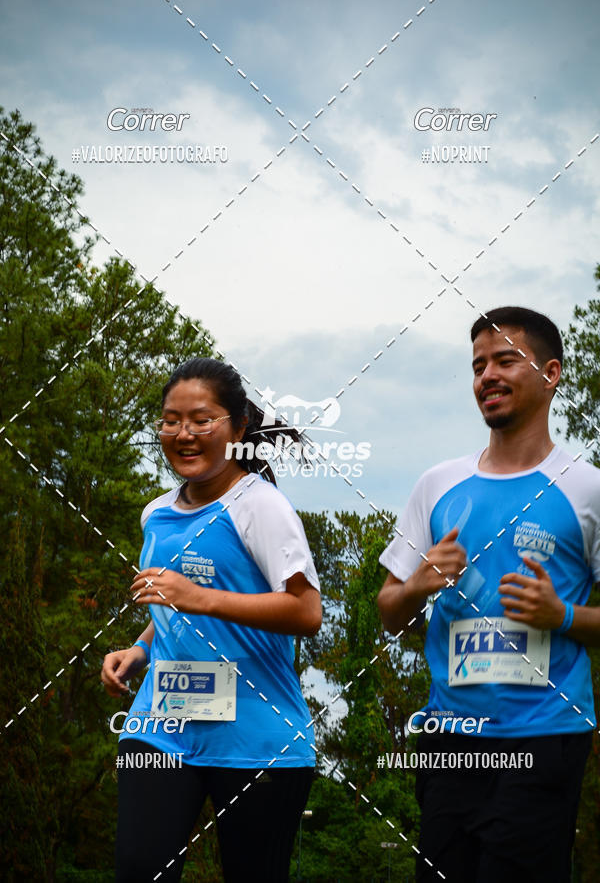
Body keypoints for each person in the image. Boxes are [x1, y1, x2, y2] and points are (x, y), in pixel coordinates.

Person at [377, 307, 600, 882]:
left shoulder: (586, 485)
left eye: (505, 360)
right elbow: (388, 614)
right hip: (451, 743)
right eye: (478, 366)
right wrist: (420, 583)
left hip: (544, 738)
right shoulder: (437, 484)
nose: (487, 376)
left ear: (550, 374)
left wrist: (564, 614)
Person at [100, 357, 322, 882]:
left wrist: (198, 596)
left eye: (202, 421)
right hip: (163, 725)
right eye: (171, 421)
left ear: (238, 427)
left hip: (255, 738)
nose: (184, 434)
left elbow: (306, 611)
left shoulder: (259, 507)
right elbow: (172, 609)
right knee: (139, 868)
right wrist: (140, 648)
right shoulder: (155, 513)